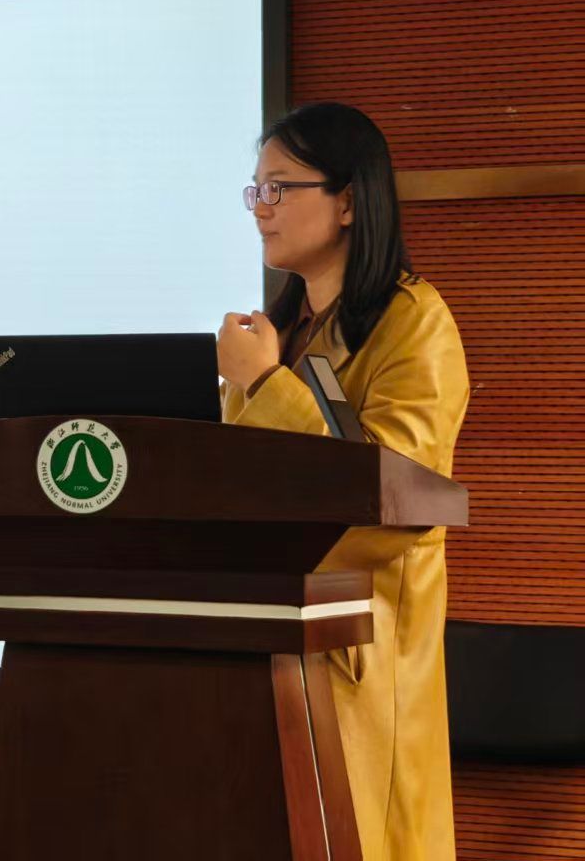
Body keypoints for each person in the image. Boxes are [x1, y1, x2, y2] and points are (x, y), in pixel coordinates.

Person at [218, 102, 469, 861]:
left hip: (361, 649)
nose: (260, 208)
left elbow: (396, 493)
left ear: (350, 200)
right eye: (255, 190)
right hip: (265, 644)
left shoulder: (414, 321)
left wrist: (265, 387)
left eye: (279, 188)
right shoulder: (283, 330)